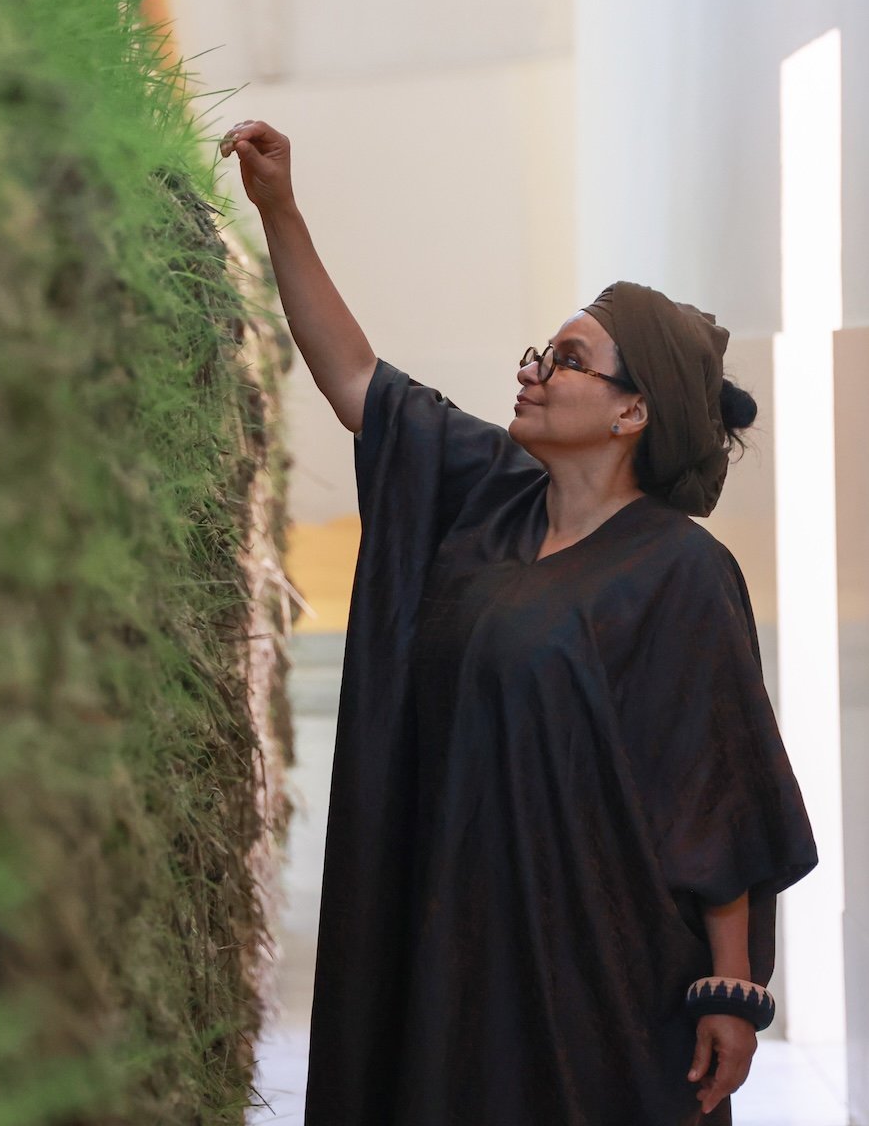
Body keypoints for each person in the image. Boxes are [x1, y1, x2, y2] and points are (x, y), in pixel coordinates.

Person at [220, 120, 819, 1126]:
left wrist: (733, 992)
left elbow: (716, 792)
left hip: (605, 988)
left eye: (569, 359)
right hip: (456, 957)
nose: (534, 370)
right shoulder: (490, 493)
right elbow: (355, 380)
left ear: (634, 412)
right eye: (542, 352)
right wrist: (279, 208)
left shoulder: (681, 573)